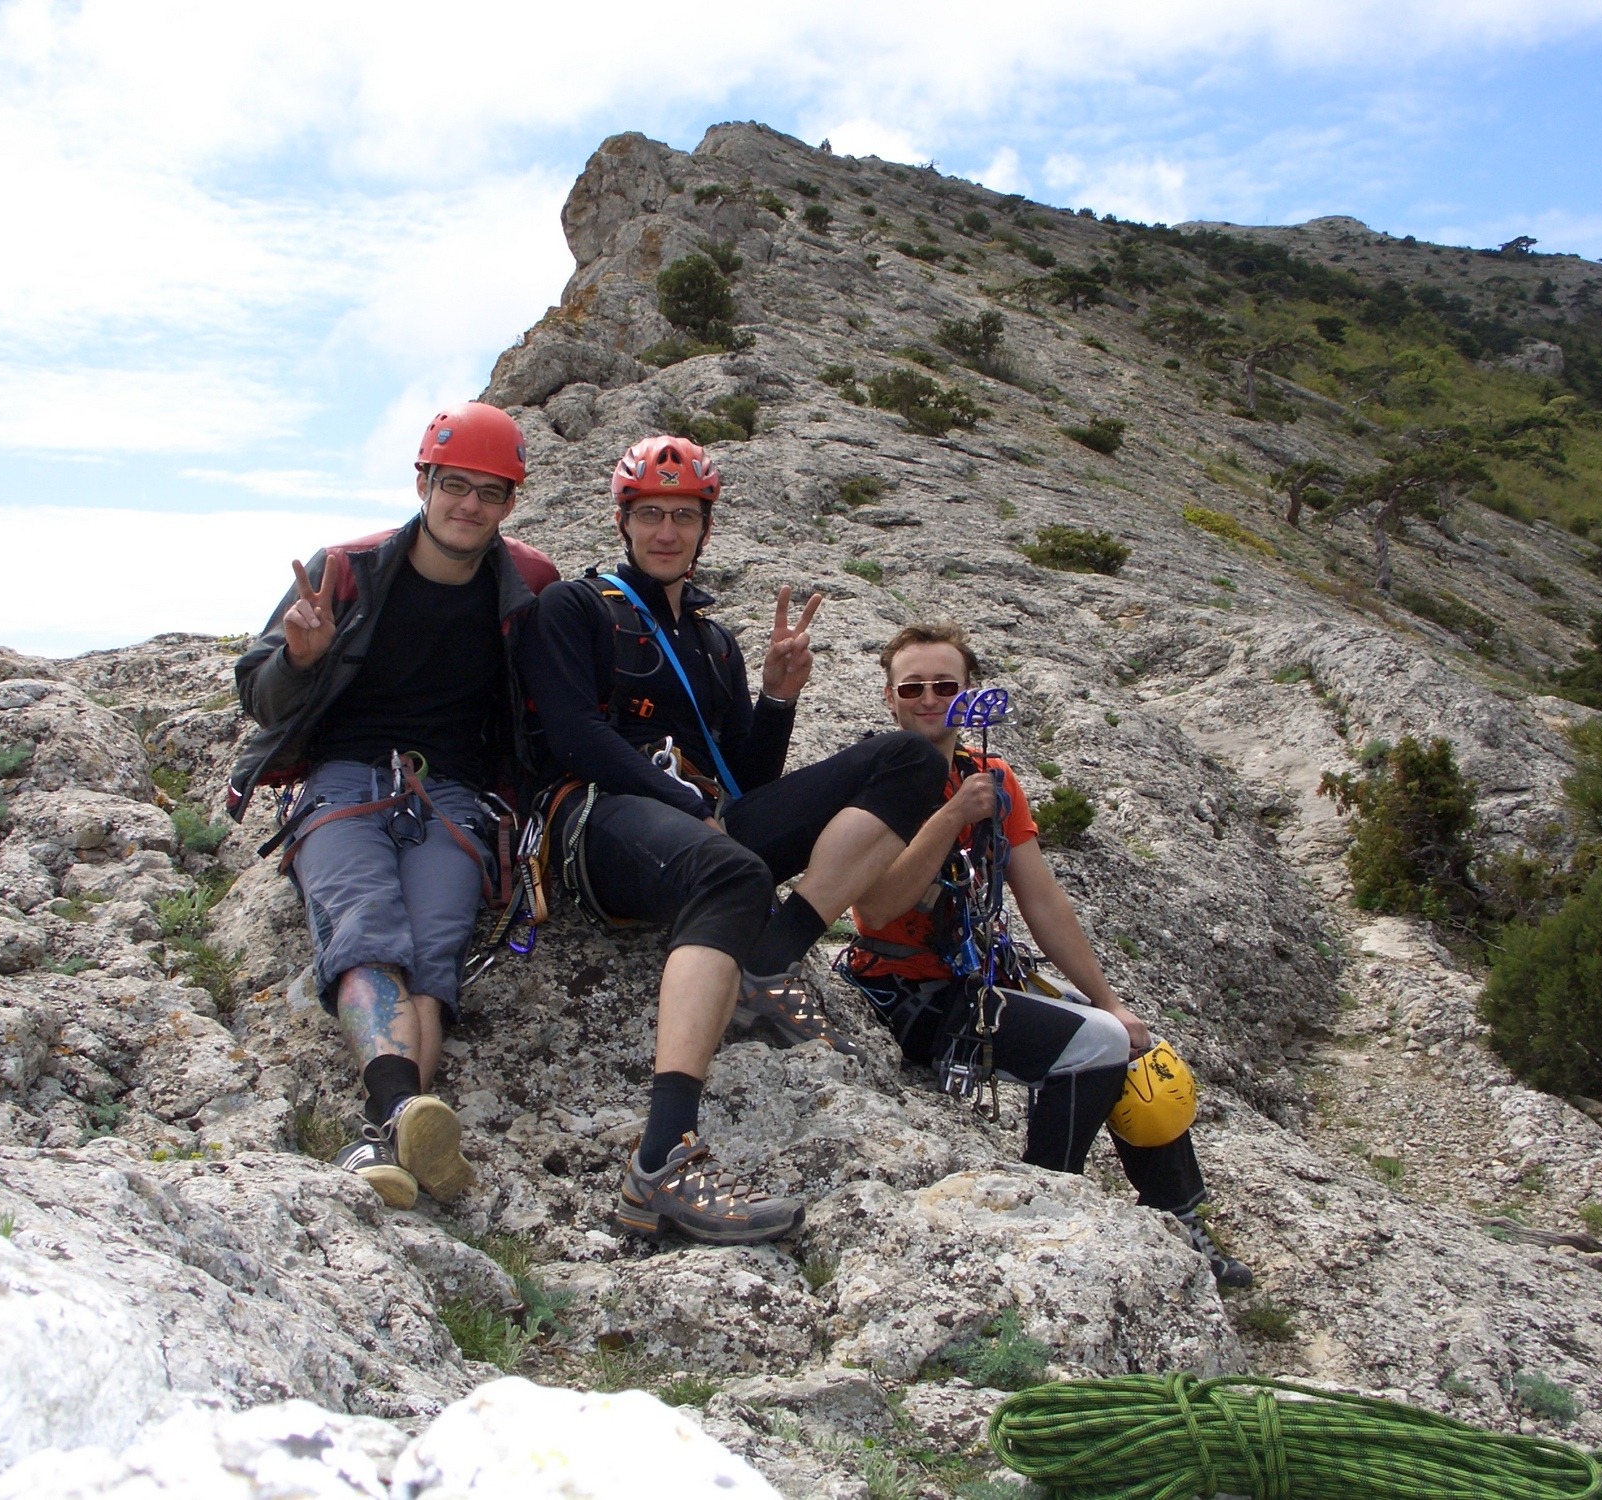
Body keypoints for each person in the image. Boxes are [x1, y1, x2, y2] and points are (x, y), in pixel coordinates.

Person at [520, 434, 944, 1246]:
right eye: (650, 515)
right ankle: (660, 1166)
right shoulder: (576, 610)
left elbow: (747, 776)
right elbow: (574, 735)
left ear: (705, 527)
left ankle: (769, 956)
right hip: (598, 822)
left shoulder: (715, 641)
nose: (667, 532)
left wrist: (777, 697)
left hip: (702, 829)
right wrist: (677, 801)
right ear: (624, 521)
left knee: (907, 761)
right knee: (729, 867)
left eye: (683, 515)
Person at [840, 621, 1252, 1287]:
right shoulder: (874, 782)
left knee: (1135, 1049)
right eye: (911, 687)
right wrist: (950, 818)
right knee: (1093, 1046)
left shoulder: (993, 777)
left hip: (979, 976)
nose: (928, 698)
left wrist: (1113, 1001)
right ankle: (1048, 1199)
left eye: (945, 685)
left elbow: (1043, 901)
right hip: (910, 996)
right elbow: (878, 909)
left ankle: (1180, 1217)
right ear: (888, 698)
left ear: (969, 692)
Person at [228, 401, 559, 1211]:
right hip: (344, 780)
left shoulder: (531, 583)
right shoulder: (346, 570)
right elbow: (262, 699)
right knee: (366, 931)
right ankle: (397, 1118)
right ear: (423, 482)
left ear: (511, 503)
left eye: (490, 491)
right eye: (455, 485)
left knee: (435, 951)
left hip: (454, 796)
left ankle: (386, 1141)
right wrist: (301, 661)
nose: (469, 506)